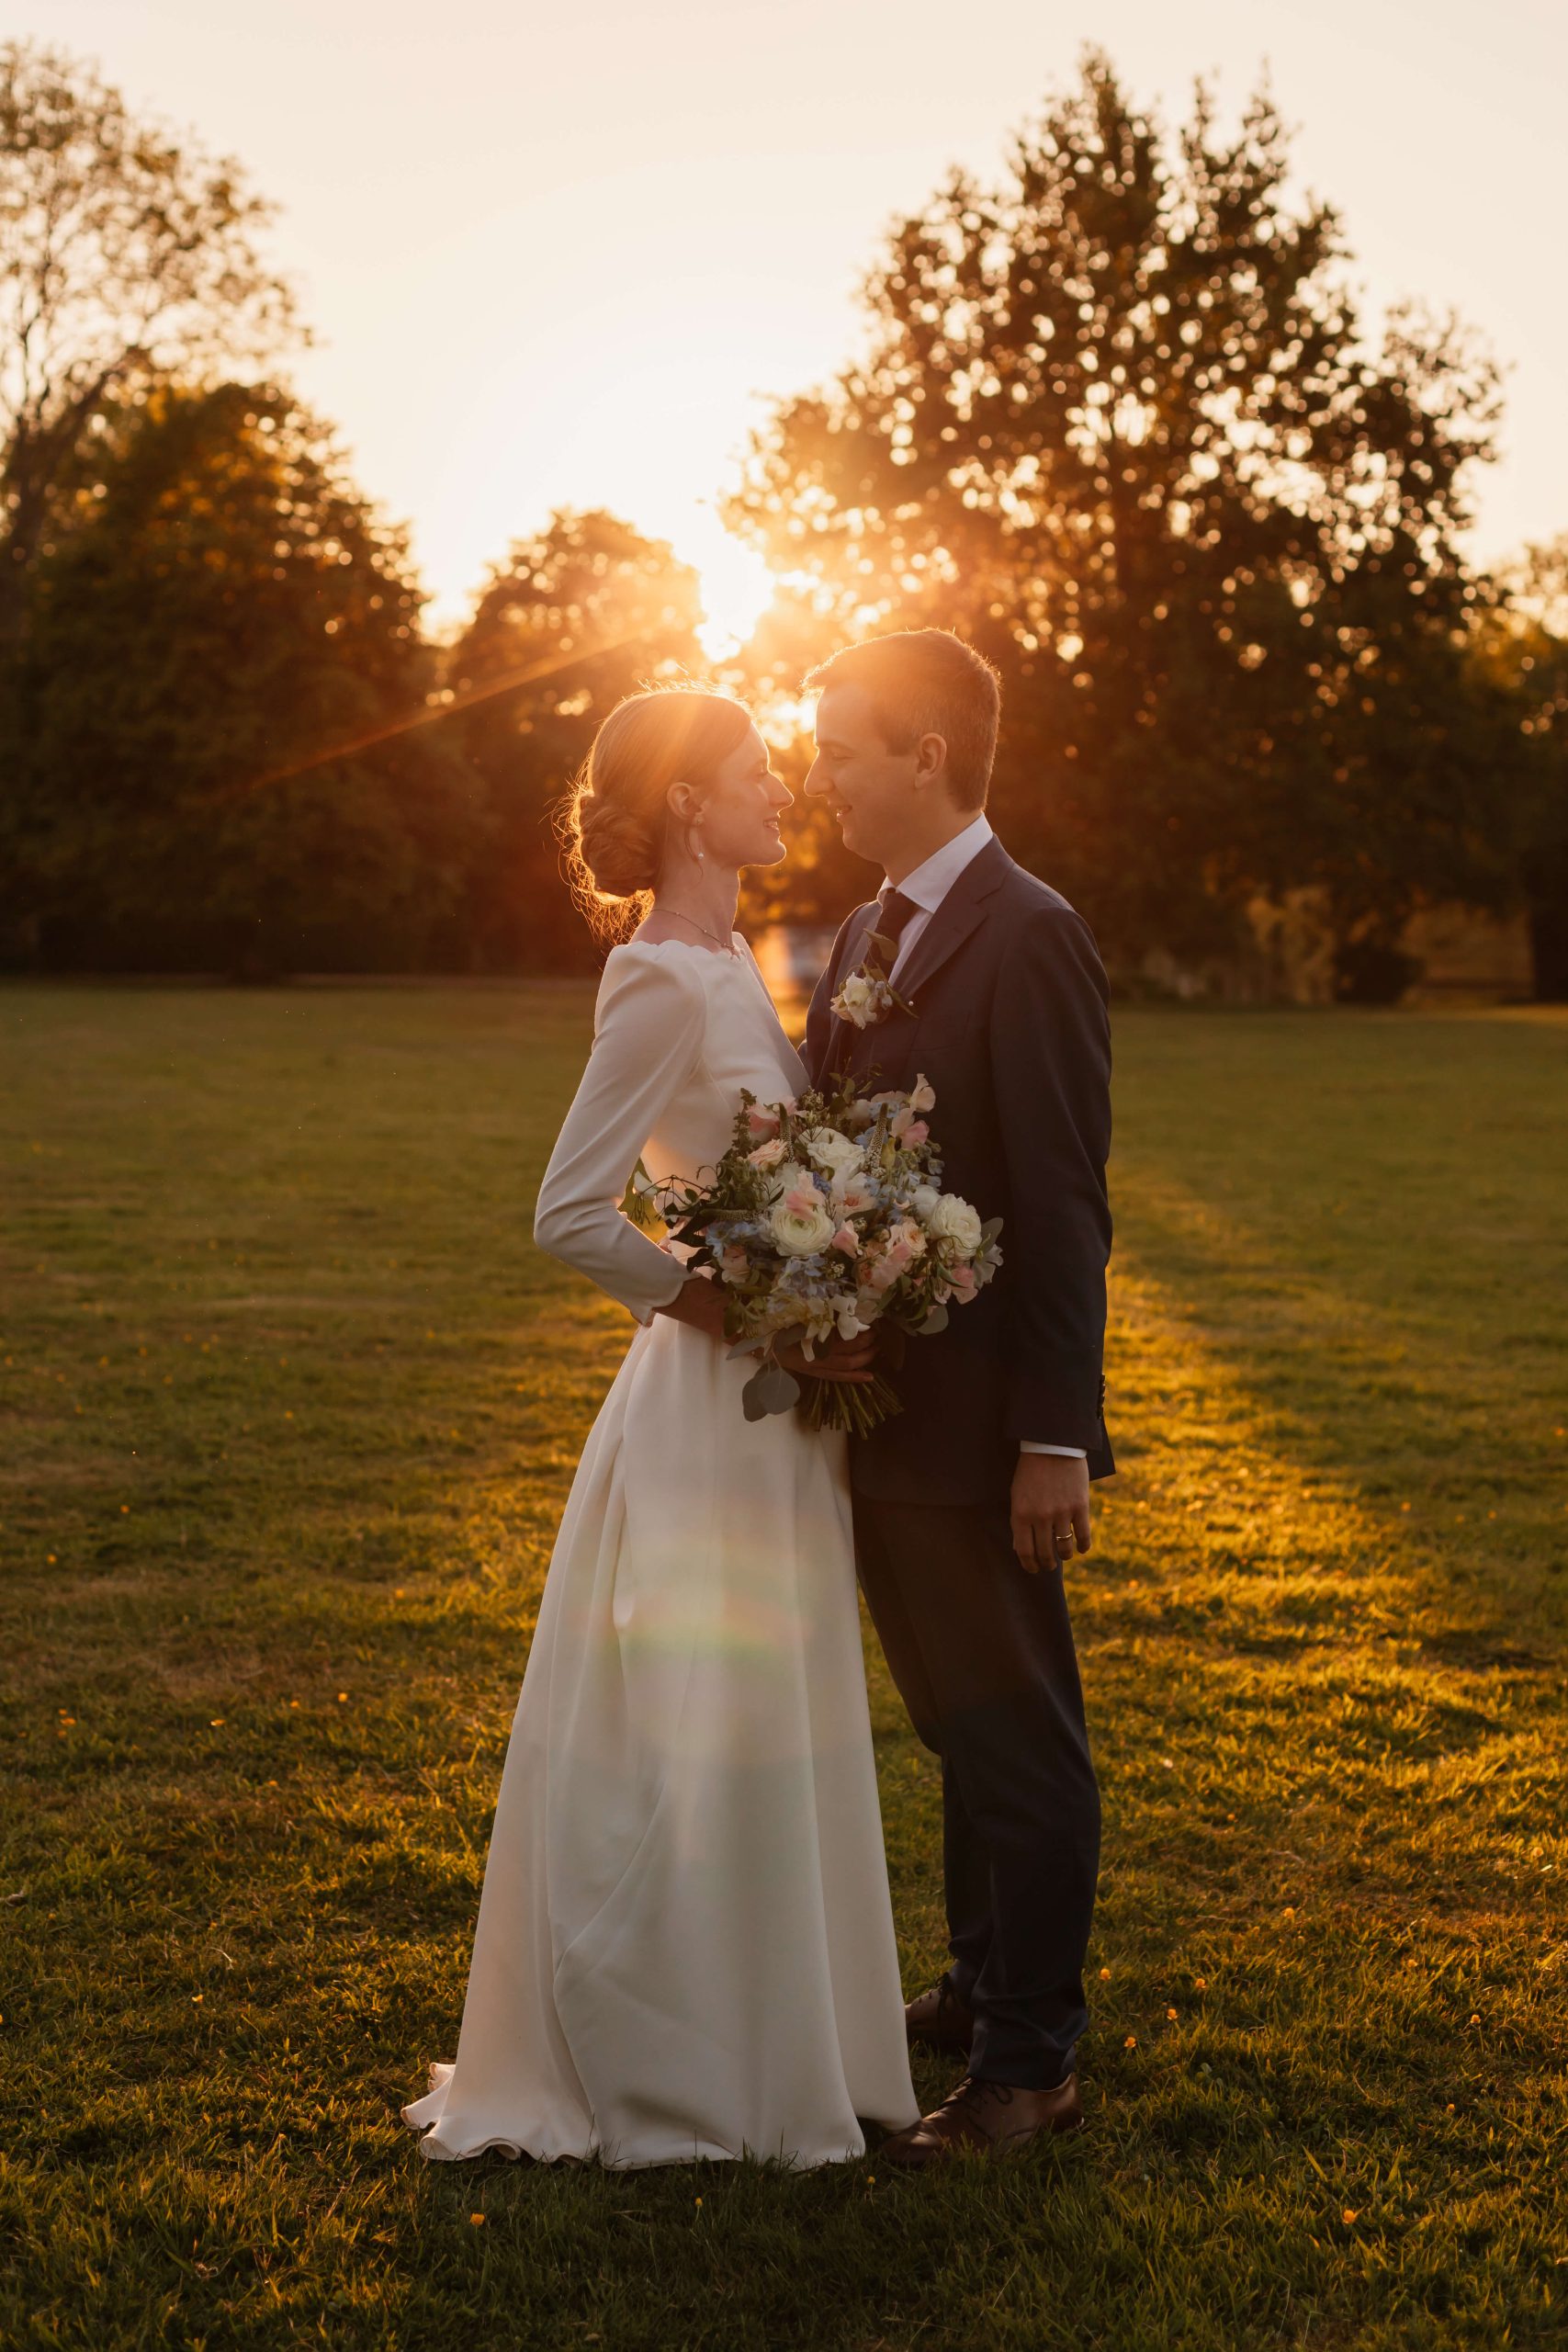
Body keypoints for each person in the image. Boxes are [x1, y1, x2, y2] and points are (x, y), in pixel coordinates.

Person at [401, 685, 918, 2168]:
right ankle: (680, 2066)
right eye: (758, 774)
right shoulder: (656, 978)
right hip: (712, 1403)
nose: (783, 792)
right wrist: (734, 1311)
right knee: (699, 1724)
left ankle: (784, 2045)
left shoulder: (733, 962)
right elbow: (570, 1212)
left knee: (768, 1714)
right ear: (692, 804)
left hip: (780, 1412)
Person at [802, 628, 1113, 2166]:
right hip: (876, 1408)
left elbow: (1060, 1204)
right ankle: (984, 1984)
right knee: (951, 1726)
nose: (824, 779)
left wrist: (1055, 1438)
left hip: (988, 1424)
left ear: (925, 752)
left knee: (1019, 1739)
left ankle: (1031, 2066)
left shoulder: (1031, 931)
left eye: (843, 748)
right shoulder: (868, 925)